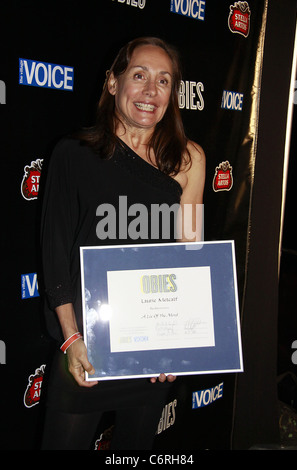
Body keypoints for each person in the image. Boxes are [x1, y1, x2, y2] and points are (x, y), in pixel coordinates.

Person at [40, 36, 205, 450]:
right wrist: (71, 340)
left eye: (164, 81)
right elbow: (55, 252)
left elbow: (190, 254)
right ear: (113, 83)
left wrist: (176, 344)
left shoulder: (189, 160)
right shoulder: (72, 154)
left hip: (150, 343)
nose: (151, 91)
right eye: (139, 76)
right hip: (85, 343)